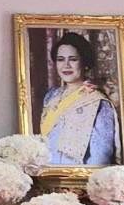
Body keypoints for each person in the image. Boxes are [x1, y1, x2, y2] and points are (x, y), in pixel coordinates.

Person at [39, 31, 117, 166]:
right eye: (60, 59)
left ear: (84, 62)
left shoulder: (97, 102)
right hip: (46, 173)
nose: (66, 65)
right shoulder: (51, 96)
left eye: (73, 59)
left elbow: (100, 156)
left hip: (76, 177)